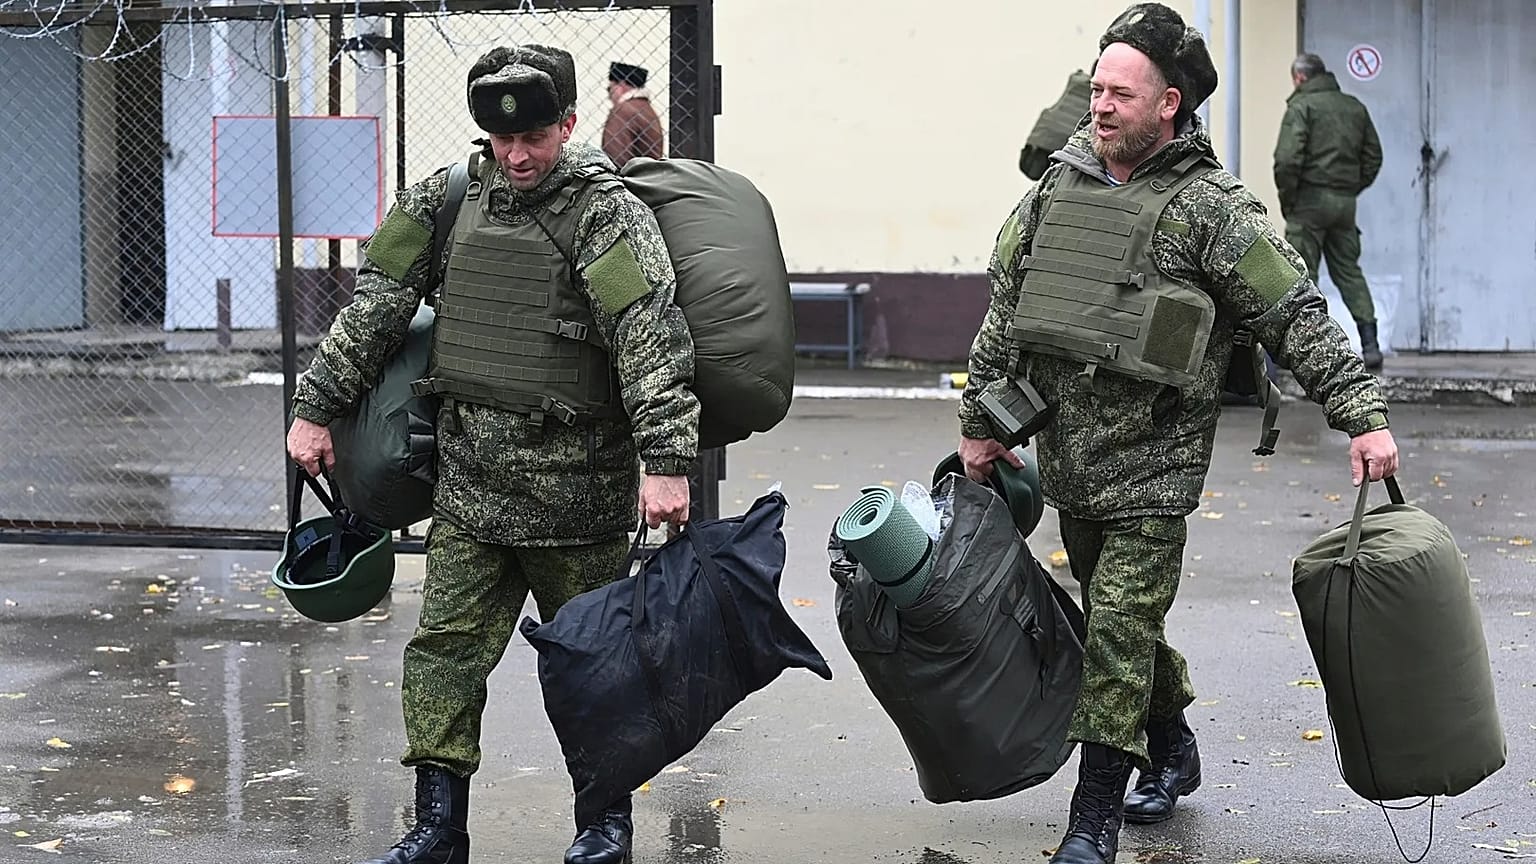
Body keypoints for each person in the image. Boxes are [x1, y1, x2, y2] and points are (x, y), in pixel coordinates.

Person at [956, 6, 1399, 863]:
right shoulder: (1060, 184)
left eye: (1121, 93)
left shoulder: (1213, 209)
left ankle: (1092, 821)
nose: (1101, 106)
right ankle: (1172, 738)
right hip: (1067, 461)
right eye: (1096, 90)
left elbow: (1293, 313)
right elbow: (1006, 306)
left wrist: (1363, 415)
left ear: (1168, 104)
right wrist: (980, 425)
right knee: (1120, 621)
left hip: (1156, 468)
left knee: (1119, 623)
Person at [285, 43, 700, 864]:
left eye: (535, 137)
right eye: (502, 140)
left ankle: (604, 828)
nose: (516, 155)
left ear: (570, 124)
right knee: (442, 654)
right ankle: (438, 828)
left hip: (576, 497)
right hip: (469, 489)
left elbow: (650, 338)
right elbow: (376, 306)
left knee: (596, 664)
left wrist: (666, 460)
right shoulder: (445, 200)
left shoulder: (605, 214)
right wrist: (315, 409)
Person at [1273, 52, 1385, 370]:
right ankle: (1370, 344)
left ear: (1299, 78)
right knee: (1349, 271)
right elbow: (1373, 157)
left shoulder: (1301, 106)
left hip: (1308, 202)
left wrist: (1289, 199)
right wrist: (1350, 189)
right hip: (1344, 204)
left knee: (1300, 276)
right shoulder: (1354, 107)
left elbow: (1287, 160)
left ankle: (1304, 348)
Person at [601, 61, 664, 169]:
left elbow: (614, 155)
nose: (609, 96)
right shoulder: (646, 108)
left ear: (621, 85)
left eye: (609, 89)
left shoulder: (623, 111)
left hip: (628, 181)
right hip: (648, 176)